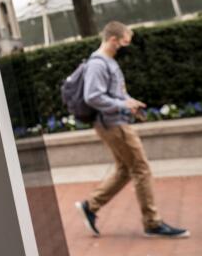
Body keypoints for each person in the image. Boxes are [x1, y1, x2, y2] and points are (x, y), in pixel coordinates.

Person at [75, 21, 189, 238]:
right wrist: (122, 105)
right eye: (122, 43)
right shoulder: (98, 64)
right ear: (112, 39)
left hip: (115, 121)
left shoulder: (108, 62)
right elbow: (92, 96)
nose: (123, 48)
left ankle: (90, 206)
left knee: (125, 169)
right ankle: (152, 223)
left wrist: (130, 102)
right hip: (112, 124)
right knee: (141, 169)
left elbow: (114, 93)